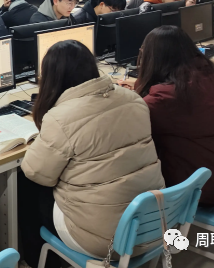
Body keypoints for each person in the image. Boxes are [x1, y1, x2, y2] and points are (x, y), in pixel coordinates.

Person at [20, 41, 164, 262]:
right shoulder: (134, 99)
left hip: (105, 240)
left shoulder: (62, 118)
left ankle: (36, 260)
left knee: (26, 186)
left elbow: (36, 173)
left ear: (51, 77)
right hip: (151, 223)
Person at [127, 26, 214, 206]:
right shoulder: (207, 76)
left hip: (205, 185)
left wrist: (128, 95)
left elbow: (133, 120)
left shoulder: (166, 98)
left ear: (153, 59)